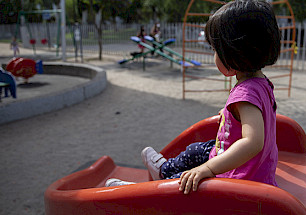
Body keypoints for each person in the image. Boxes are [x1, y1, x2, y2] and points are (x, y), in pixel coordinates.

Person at [106, 0, 281, 195]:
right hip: (247, 166)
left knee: (187, 183)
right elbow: (258, 115)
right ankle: (165, 170)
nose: (214, 55)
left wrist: (209, 169)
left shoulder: (246, 92)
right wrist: (231, 115)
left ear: (235, 53)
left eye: (216, 50)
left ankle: (142, 192)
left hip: (240, 179)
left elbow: (253, 142)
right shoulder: (261, 83)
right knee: (197, 150)